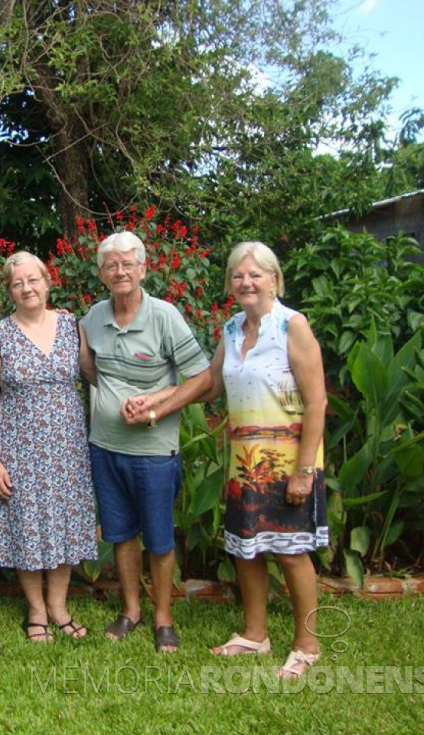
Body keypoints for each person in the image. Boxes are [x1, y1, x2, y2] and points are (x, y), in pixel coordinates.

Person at [126, 241, 328, 678]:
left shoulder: (293, 326)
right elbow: (210, 383)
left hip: (289, 459)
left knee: (291, 554)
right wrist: (157, 403)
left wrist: (305, 471)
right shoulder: (233, 328)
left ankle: (307, 645)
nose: (247, 282)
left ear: (274, 279)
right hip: (245, 460)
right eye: (238, 275)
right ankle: (255, 635)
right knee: (247, 550)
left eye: (256, 274)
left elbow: (317, 403)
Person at [79, 231, 212, 654]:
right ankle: (131, 609)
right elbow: (89, 370)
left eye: (127, 264)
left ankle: (163, 617)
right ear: (101, 274)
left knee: (158, 538)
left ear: (142, 268)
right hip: (104, 446)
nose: (120, 271)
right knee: (120, 535)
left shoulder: (164, 316)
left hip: (153, 452)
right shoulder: (93, 318)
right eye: (111, 265)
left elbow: (203, 378)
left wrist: (156, 406)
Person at [0, 251, 97, 643]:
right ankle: (36, 610)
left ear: (48, 282)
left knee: (61, 526)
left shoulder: (71, 326)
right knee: (26, 528)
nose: (27, 287)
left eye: (33, 280)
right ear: (9, 291)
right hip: (19, 452)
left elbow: (96, 375)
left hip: (67, 450)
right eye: (17, 282)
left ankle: (59, 606)